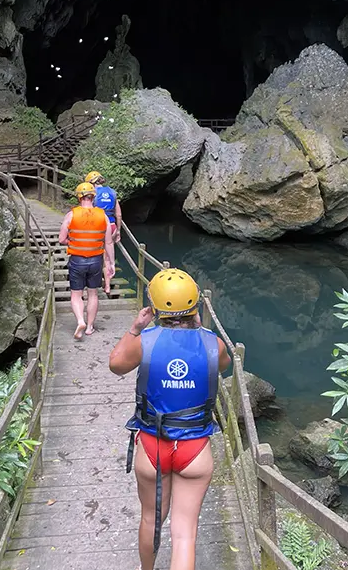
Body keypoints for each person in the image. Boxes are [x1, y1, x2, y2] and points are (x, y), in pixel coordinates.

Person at [109, 269, 231, 570]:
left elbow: (116, 365)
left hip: (152, 445)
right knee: (185, 534)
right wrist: (200, 329)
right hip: (195, 448)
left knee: (150, 519)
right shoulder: (212, 344)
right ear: (195, 306)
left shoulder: (145, 341)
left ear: (155, 308)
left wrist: (135, 328)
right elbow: (223, 364)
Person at [59, 182, 115, 340]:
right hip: (96, 261)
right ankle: (90, 327)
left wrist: (74, 242)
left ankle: (80, 321)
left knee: (76, 294)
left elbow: (61, 239)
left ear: (79, 197)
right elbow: (108, 242)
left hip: (77, 260)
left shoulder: (71, 215)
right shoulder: (103, 216)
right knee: (93, 294)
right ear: (93, 197)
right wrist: (110, 263)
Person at [85, 170, 123, 243]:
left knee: (96, 249)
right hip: (112, 226)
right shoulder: (112, 192)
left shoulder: (92, 193)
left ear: (91, 183)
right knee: (109, 248)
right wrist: (118, 231)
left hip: (97, 226)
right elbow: (118, 214)